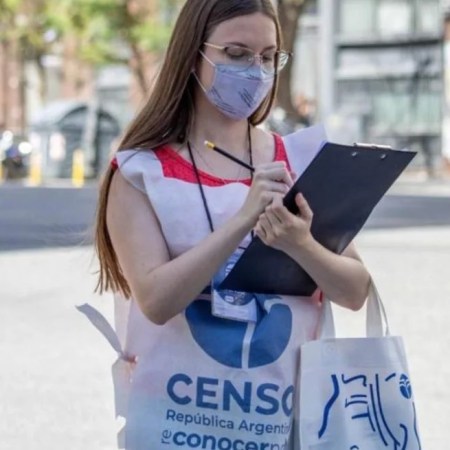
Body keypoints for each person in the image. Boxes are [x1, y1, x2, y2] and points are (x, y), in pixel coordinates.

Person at [93, 0, 371, 448]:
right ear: (193, 55)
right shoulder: (140, 171)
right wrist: (243, 219)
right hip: (177, 425)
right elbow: (157, 300)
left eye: (269, 57)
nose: (256, 72)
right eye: (237, 54)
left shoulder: (300, 159)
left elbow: (355, 289)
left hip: (280, 423)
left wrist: (300, 244)